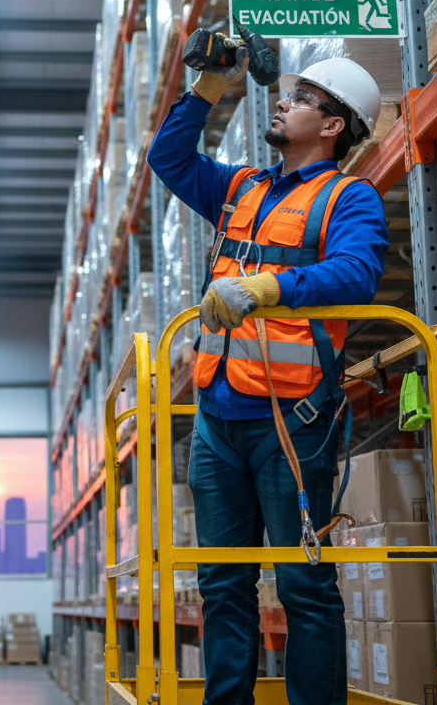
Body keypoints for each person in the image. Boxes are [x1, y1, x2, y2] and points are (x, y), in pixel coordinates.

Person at [147, 37, 389, 705]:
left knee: (303, 586)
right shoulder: (242, 188)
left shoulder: (348, 198)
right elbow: (168, 159)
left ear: (333, 125)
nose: (283, 102)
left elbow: (357, 273)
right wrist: (209, 85)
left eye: (302, 98)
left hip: (293, 421)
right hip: (216, 420)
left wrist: (264, 288)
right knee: (222, 584)